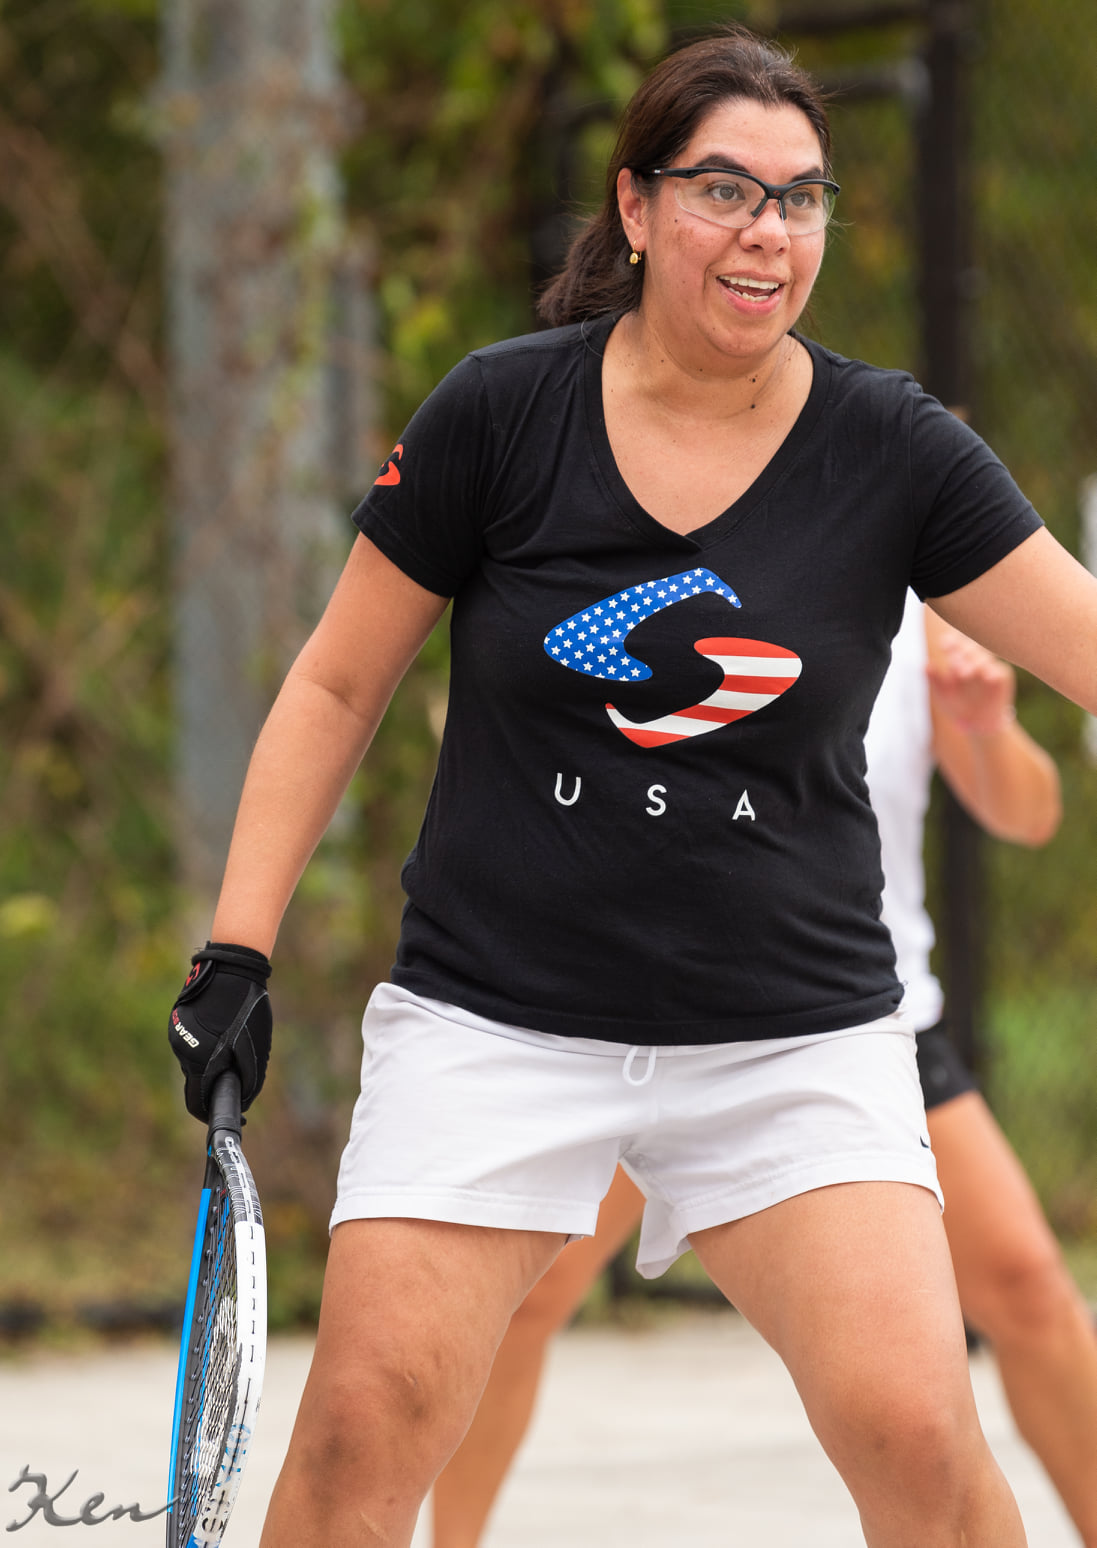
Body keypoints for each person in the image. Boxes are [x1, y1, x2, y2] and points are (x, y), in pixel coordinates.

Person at [166, 25, 1097, 1547]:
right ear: (637, 206)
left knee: (923, 1450)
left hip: (790, 1037)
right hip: (497, 1021)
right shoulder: (497, 414)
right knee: (352, 1444)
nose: (766, 230)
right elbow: (335, 685)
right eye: (725, 189)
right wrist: (237, 948)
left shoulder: (896, 450)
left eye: (799, 198)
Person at [431, 597, 1097, 1548]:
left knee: (1027, 1288)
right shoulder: (646, 572)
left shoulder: (921, 594)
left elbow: (1028, 813)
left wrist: (984, 724)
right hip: (643, 1018)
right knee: (523, 1300)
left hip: (856, 1026)